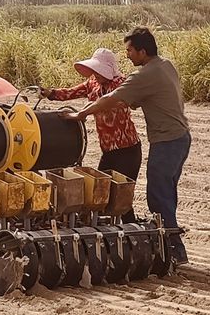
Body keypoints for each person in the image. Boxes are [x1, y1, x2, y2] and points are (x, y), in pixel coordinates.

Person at [62, 27, 191, 265]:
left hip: (167, 141)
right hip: (181, 138)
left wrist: (81, 114)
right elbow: (140, 100)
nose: (128, 55)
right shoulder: (166, 65)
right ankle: (166, 243)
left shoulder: (143, 76)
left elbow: (110, 99)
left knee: (158, 197)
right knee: (166, 194)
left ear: (142, 51)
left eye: (130, 50)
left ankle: (175, 251)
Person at [40, 48, 142, 223]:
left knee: (121, 195)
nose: (96, 74)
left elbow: (109, 104)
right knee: (100, 192)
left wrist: (83, 112)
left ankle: (131, 230)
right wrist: (52, 94)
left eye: (99, 71)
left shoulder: (122, 85)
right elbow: (71, 92)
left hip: (128, 150)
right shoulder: (92, 84)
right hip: (108, 151)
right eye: (95, 70)